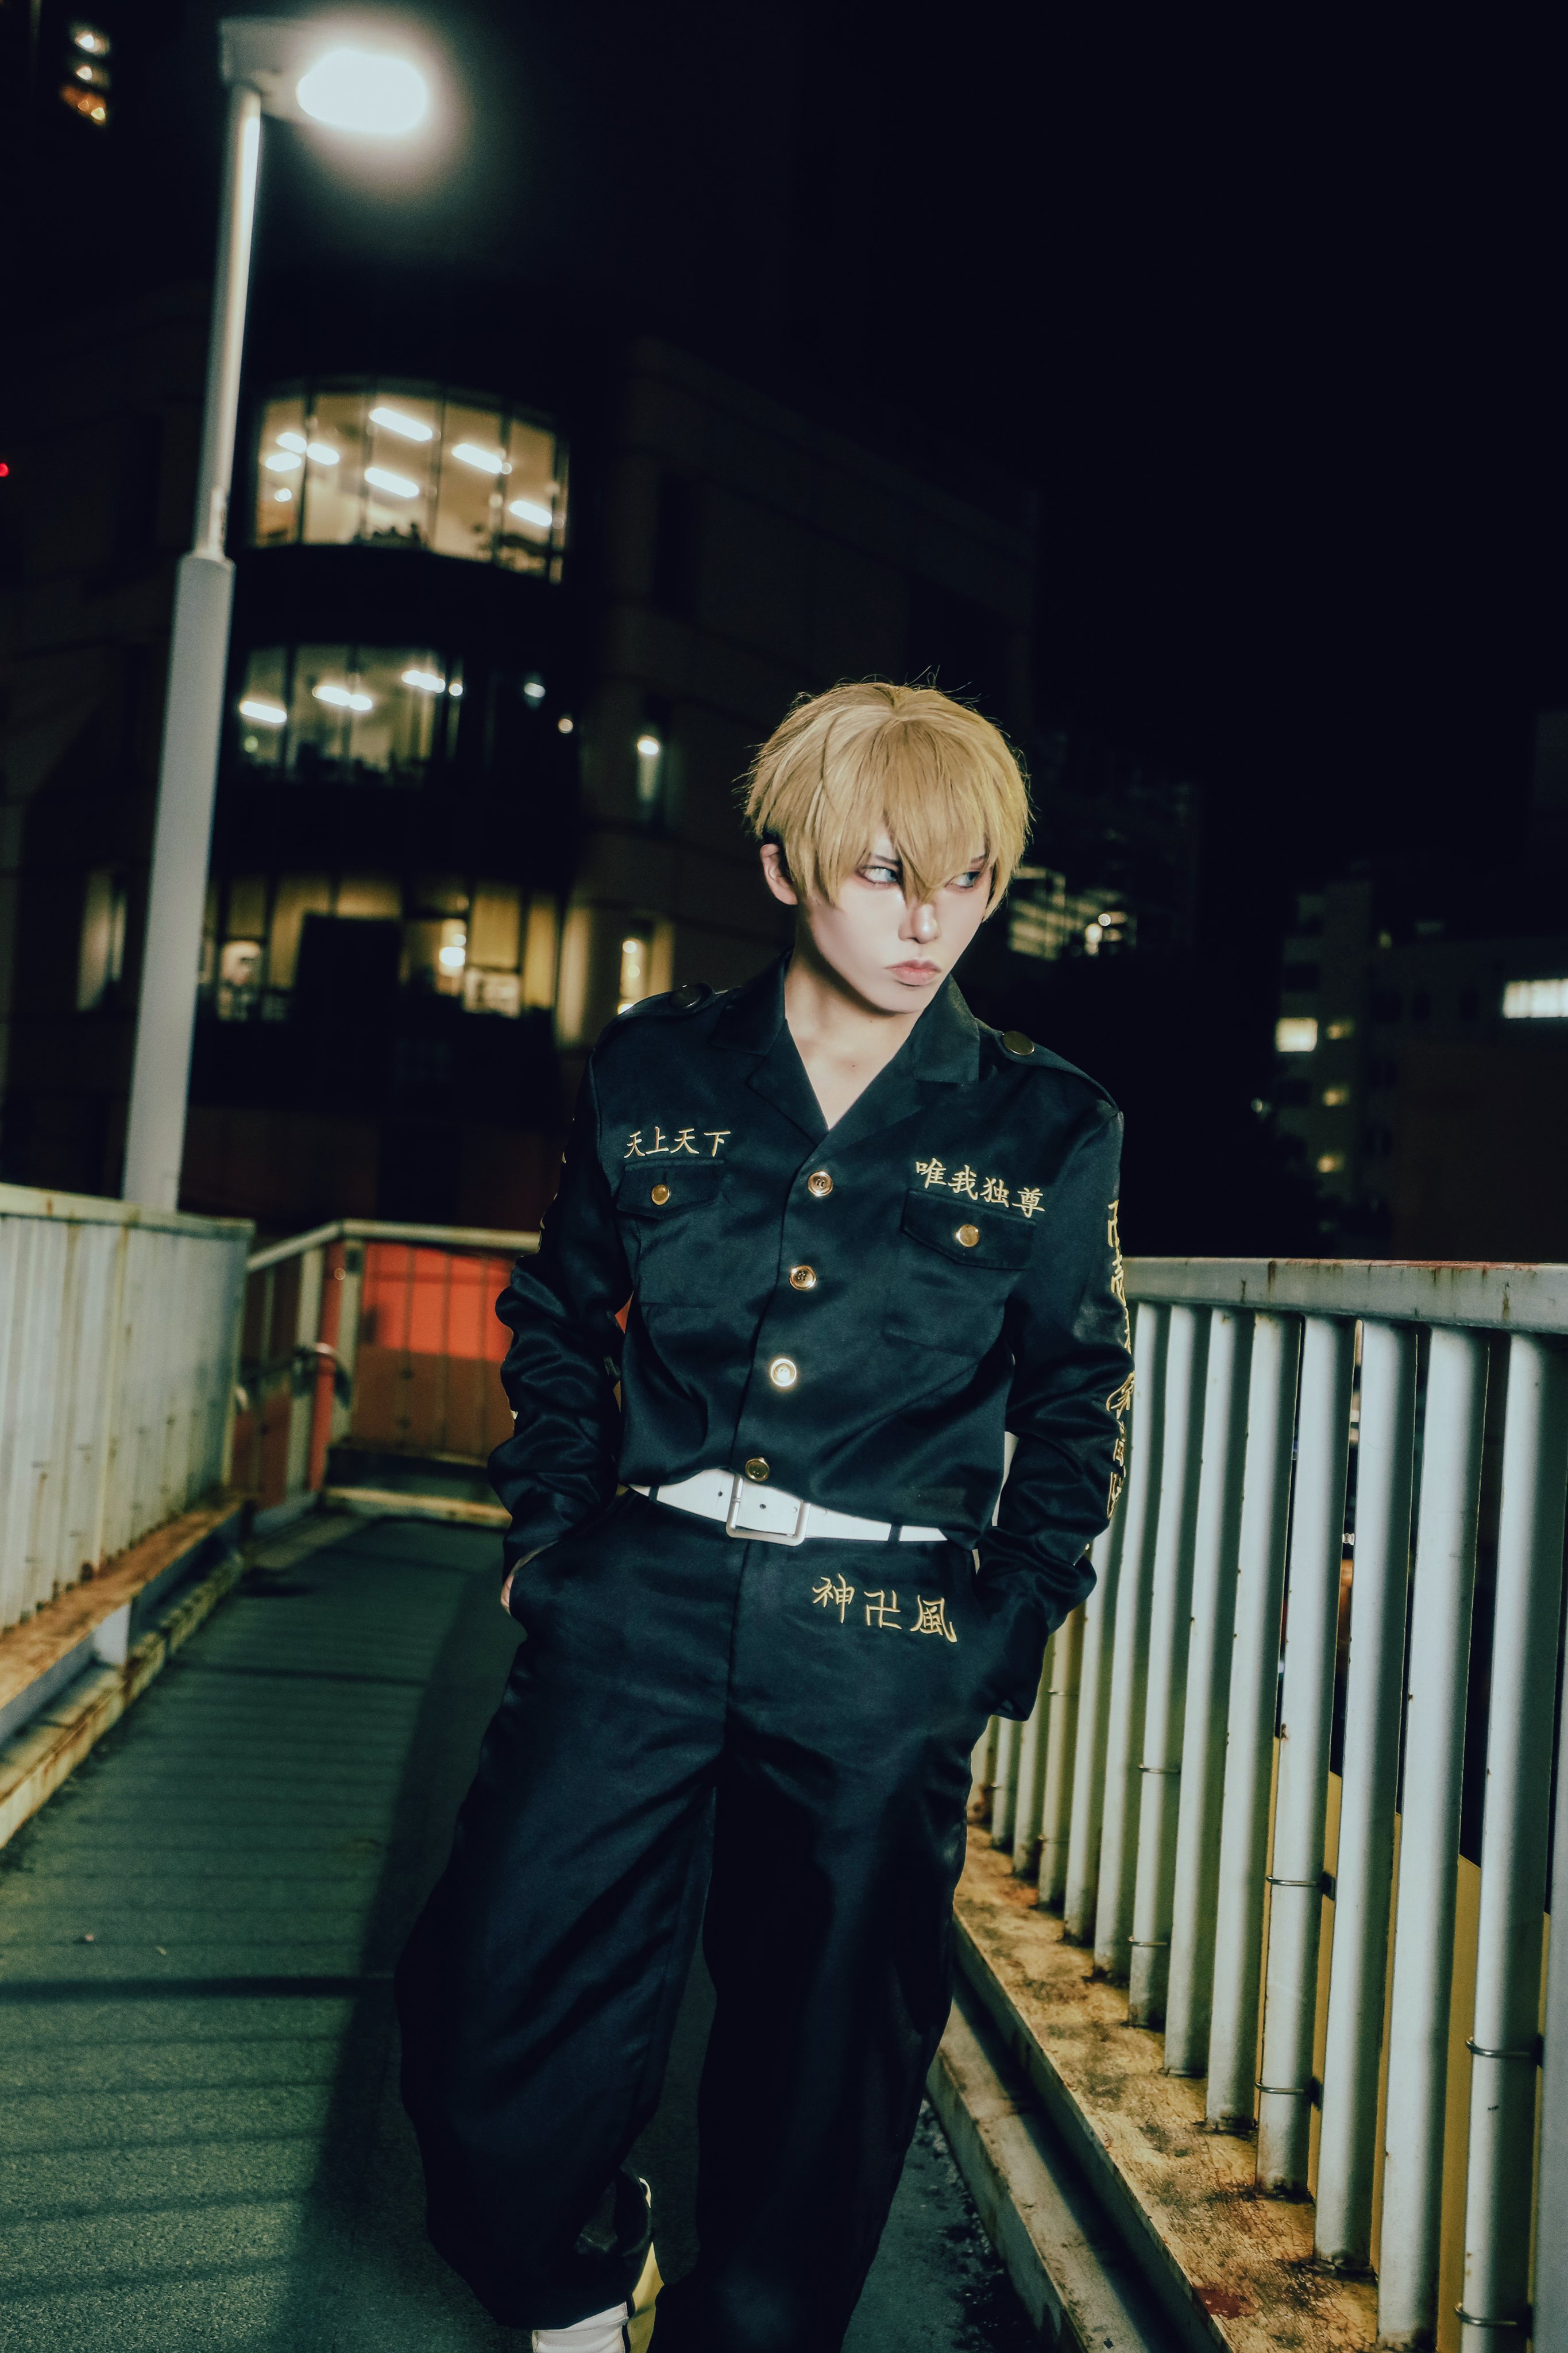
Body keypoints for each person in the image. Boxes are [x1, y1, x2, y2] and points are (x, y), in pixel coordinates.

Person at [395, 681, 1135, 2352]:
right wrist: (547, 1546)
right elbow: (560, 1317)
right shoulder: (655, 1061)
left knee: (825, 2058)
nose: (930, 922)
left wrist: (997, 1633)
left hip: (883, 1638)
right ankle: (571, 2280)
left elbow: (1078, 1400)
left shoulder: (1049, 1122)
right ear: (785, 868)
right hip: (636, 1596)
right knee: (490, 1994)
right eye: (887, 874)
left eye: (969, 883)